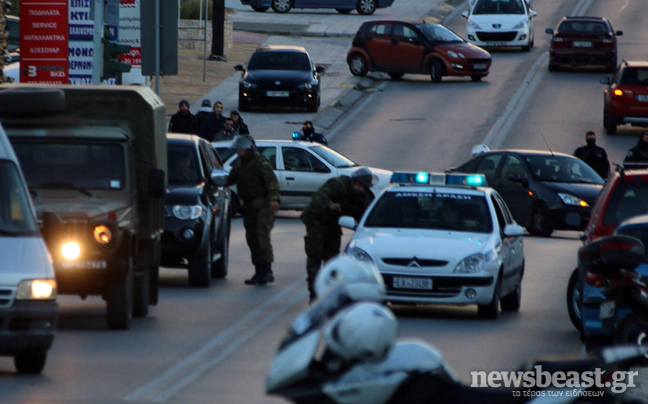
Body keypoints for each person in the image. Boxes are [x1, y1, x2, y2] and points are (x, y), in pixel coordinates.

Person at [300, 167, 377, 301]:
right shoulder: (338, 185)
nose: (361, 189)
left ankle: (329, 291)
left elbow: (362, 216)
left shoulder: (361, 197)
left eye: (364, 187)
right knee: (315, 256)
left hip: (333, 224)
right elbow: (320, 196)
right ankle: (314, 293)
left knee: (333, 259)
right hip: (316, 220)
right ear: (354, 182)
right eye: (360, 186)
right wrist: (329, 204)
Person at [227, 136, 280, 285]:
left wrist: (274, 199)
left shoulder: (260, 162)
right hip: (249, 208)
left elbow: (272, 182)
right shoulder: (240, 164)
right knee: (252, 238)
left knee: (261, 237)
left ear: (249, 148)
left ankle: (267, 271)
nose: (238, 151)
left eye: (240, 148)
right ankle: (258, 272)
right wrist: (217, 181)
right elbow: (231, 178)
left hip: (263, 207)